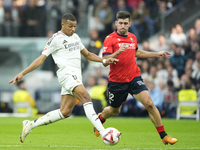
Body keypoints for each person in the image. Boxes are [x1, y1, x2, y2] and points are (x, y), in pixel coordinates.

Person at [9, 13, 118, 143]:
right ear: (63, 24)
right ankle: (103, 132)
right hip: (66, 74)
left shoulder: (76, 37)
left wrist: (104, 61)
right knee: (86, 97)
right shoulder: (56, 38)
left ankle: (30, 124)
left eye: (75, 26)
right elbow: (41, 59)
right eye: (70, 26)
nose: (73, 29)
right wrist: (23, 73)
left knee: (65, 112)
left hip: (76, 76)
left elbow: (88, 55)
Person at [93, 10, 178, 145]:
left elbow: (137, 52)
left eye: (125, 23)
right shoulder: (110, 39)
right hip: (117, 81)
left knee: (149, 104)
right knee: (115, 111)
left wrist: (156, 54)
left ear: (129, 24)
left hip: (134, 77)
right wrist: (117, 53)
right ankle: (101, 117)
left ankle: (164, 136)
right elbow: (105, 59)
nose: (122, 26)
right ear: (116, 23)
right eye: (120, 23)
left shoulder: (132, 37)